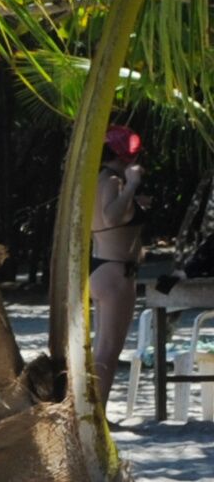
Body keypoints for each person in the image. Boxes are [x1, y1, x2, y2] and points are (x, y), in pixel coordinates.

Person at [95, 126, 150, 396]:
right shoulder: (114, 180)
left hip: (102, 270)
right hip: (116, 273)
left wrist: (134, 200)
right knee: (109, 349)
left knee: (101, 347)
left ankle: (94, 412)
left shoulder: (98, 179)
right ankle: (98, 416)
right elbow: (111, 218)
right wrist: (132, 185)